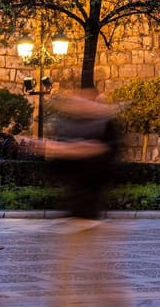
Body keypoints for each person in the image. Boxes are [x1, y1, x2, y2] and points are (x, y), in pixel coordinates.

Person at [39, 88, 128, 307]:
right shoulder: (74, 127)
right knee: (87, 268)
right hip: (80, 209)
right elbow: (61, 167)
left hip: (90, 209)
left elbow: (98, 152)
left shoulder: (106, 127)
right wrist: (57, 150)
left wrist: (60, 149)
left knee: (87, 268)